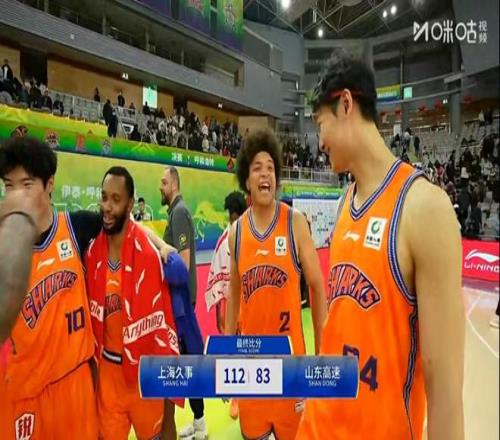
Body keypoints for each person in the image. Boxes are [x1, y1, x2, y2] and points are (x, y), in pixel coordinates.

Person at [297, 51, 464, 440]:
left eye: (320, 125)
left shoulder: (425, 208)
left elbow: (445, 392)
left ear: (345, 104)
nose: (319, 142)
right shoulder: (344, 204)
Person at [225, 130, 327, 440]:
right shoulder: (236, 233)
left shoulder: (294, 223)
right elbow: (233, 295)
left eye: (270, 167)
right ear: (247, 180)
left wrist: (321, 356)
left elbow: (317, 287)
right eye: (257, 168)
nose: (265, 173)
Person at [0, 137, 100, 439]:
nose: (16, 195)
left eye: (26, 185)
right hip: (24, 391)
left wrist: (164, 249)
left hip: (73, 383)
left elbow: (126, 226)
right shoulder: (5, 248)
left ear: (50, 184)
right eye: (9, 186)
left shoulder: (77, 227)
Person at [85, 167, 180, 440]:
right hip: (108, 378)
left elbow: (164, 332)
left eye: (116, 199)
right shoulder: (92, 254)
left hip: (143, 376)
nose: (107, 206)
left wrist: (167, 402)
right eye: (104, 197)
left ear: (129, 204)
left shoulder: (149, 258)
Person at [160, 166, 208, 440]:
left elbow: (183, 264)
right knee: (186, 363)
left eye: (164, 182)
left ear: (174, 185)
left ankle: (200, 423)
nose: (161, 187)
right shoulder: (175, 212)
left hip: (181, 306)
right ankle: (199, 420)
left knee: (189, 363)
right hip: (178, 303)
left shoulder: (179, 213)